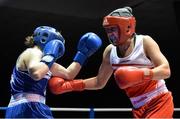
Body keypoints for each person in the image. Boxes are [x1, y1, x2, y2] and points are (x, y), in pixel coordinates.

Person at [48, 7, 174, 118]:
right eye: (107, 30)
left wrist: (141, 75)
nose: (110, 34)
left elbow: (166, 70)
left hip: (159, 101)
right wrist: (70, 85)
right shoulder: (110, 51)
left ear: (127, 27)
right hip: (137, 107)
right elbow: (99, 82)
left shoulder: (144, 42)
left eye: (113, 29)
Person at [5, 26, 102, 118]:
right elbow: (36, 74)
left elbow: (69, 74)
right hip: (28, 107)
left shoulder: (45, 63)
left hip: (23, 108)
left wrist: (83, 54)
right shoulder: (33, 52)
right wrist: (51, 56)